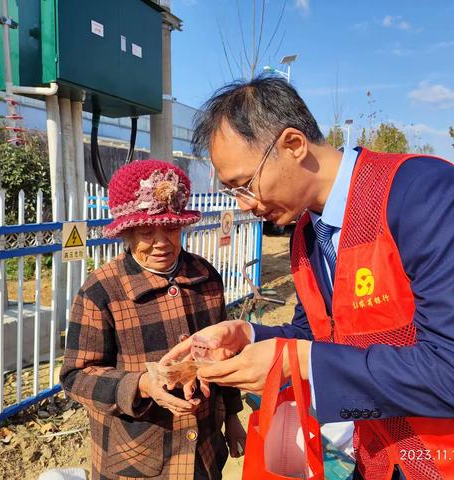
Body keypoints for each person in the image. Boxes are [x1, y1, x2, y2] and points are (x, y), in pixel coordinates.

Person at [161, 77, 454, 480]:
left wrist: (301, 363)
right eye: (233, 193)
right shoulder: (307, 236)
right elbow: (317, 333)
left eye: (245, 185)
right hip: (376, 454)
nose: (246, 205)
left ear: (294, 145)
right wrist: (247, 336)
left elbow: (447, 368)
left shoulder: (421, 194)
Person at [60, 160, 246, 480]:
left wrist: (232, 415)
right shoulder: (101, 292)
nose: (161, 242)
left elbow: (224, 355)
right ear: (127, 232)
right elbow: (75, 377)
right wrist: (142, 385)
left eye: (171, 228)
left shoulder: (206, 278)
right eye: (146, 231)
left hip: (204, 446)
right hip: (137, 455)